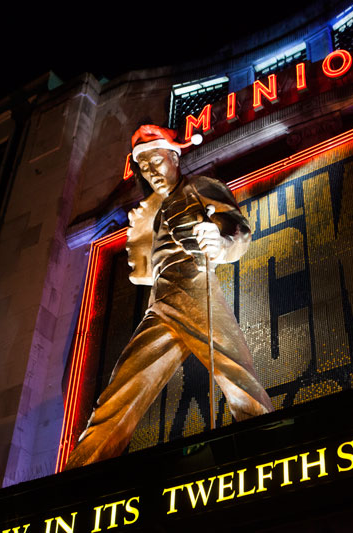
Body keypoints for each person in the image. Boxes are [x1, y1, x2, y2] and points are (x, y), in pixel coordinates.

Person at [65, 125, 273, 468]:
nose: (150, 172)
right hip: (160, 303)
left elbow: (238, 228)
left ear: (174, 157)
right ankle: (79, 471)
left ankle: (268, 446)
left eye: (156, 161)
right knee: (123, 389)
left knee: (236, 374)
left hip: (194, 289)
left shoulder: (199, 187)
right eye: (143, 167)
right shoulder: (157, 208)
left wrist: (221, 244)